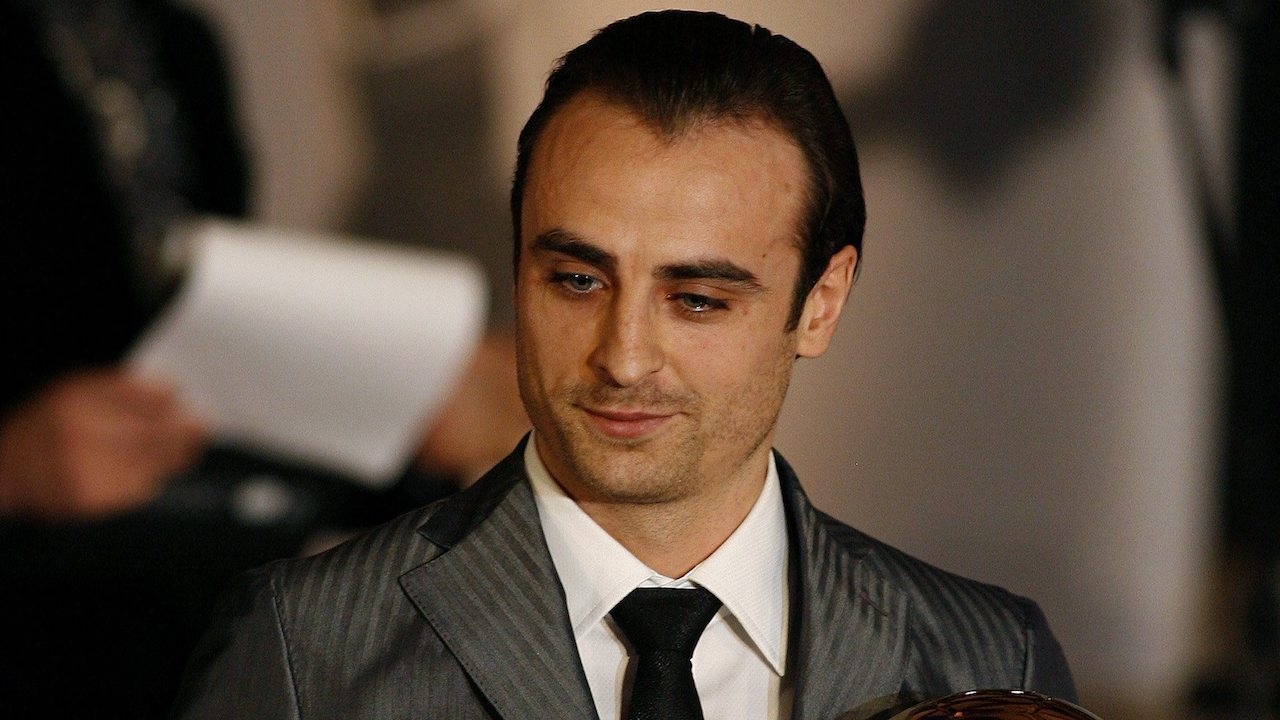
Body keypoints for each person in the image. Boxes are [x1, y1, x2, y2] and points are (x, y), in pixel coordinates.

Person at [171, 10, 1076, 720]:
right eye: (576, 280)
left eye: (698, 299)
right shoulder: (304, 649)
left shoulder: (992, 658)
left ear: (821, 303)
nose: (624, 357)